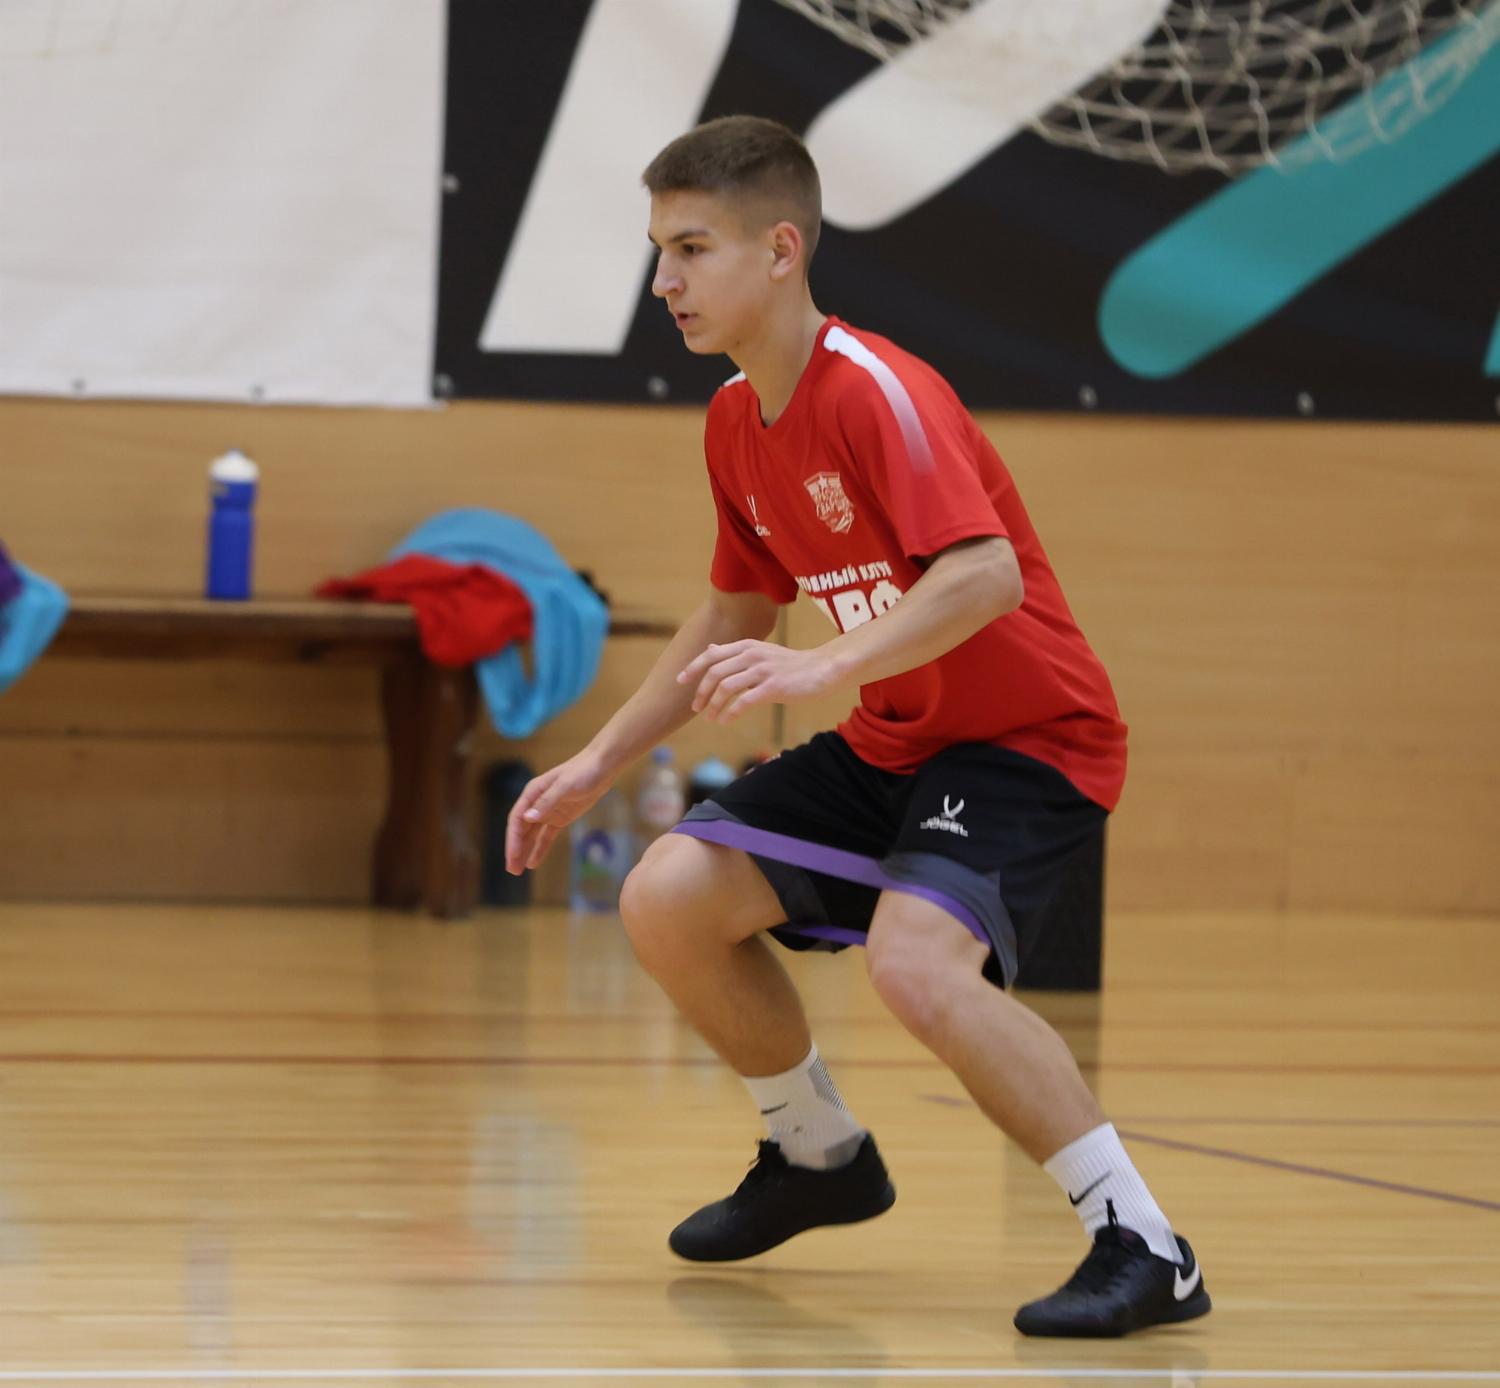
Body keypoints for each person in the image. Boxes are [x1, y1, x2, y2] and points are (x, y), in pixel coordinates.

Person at [505, 114, 1210, 1339]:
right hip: (898, 739)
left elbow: (985, 575)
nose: (664, 280)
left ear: (781, 250)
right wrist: (597, 760)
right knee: (667, 894)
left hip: (1029, 739)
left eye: (692, 248)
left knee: (914, 965)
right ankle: (819, 1152)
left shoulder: (876, 389)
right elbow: (734, 610)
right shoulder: (734, 420)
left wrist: (826, 659)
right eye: (659, 250)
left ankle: (1145, 1242)